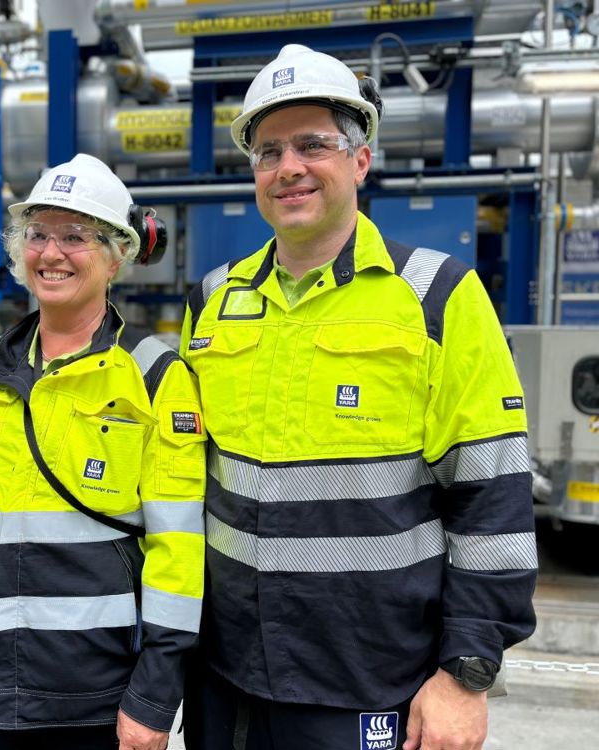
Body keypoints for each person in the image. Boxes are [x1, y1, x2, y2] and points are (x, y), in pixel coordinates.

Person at [181, 44, 537, 750]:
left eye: (314, 144)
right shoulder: (213, 302)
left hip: (371, 683)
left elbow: (491, 495)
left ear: (361, 160)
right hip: (224, 679)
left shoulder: (436, 297)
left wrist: (464, 674)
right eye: (269, 150)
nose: (289, 167)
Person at [0, 153, 206, 750]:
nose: (51, 253)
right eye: (38, 234)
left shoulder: (153, 378)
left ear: (117, 255)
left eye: (76, 236)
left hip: (97, 699)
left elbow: (179, 551)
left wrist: (155, 694)